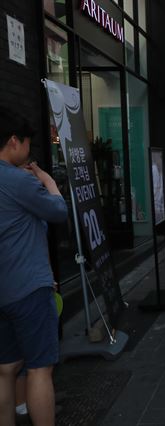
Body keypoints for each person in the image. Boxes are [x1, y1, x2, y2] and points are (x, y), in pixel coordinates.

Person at [0, 108, 68, 426]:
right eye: (27, 143)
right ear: (14, 141)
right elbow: (57, 210)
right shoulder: (17, 180)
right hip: (28, 285)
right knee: (40, 368)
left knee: (6, 368)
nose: (28, 151)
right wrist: (46, 178)